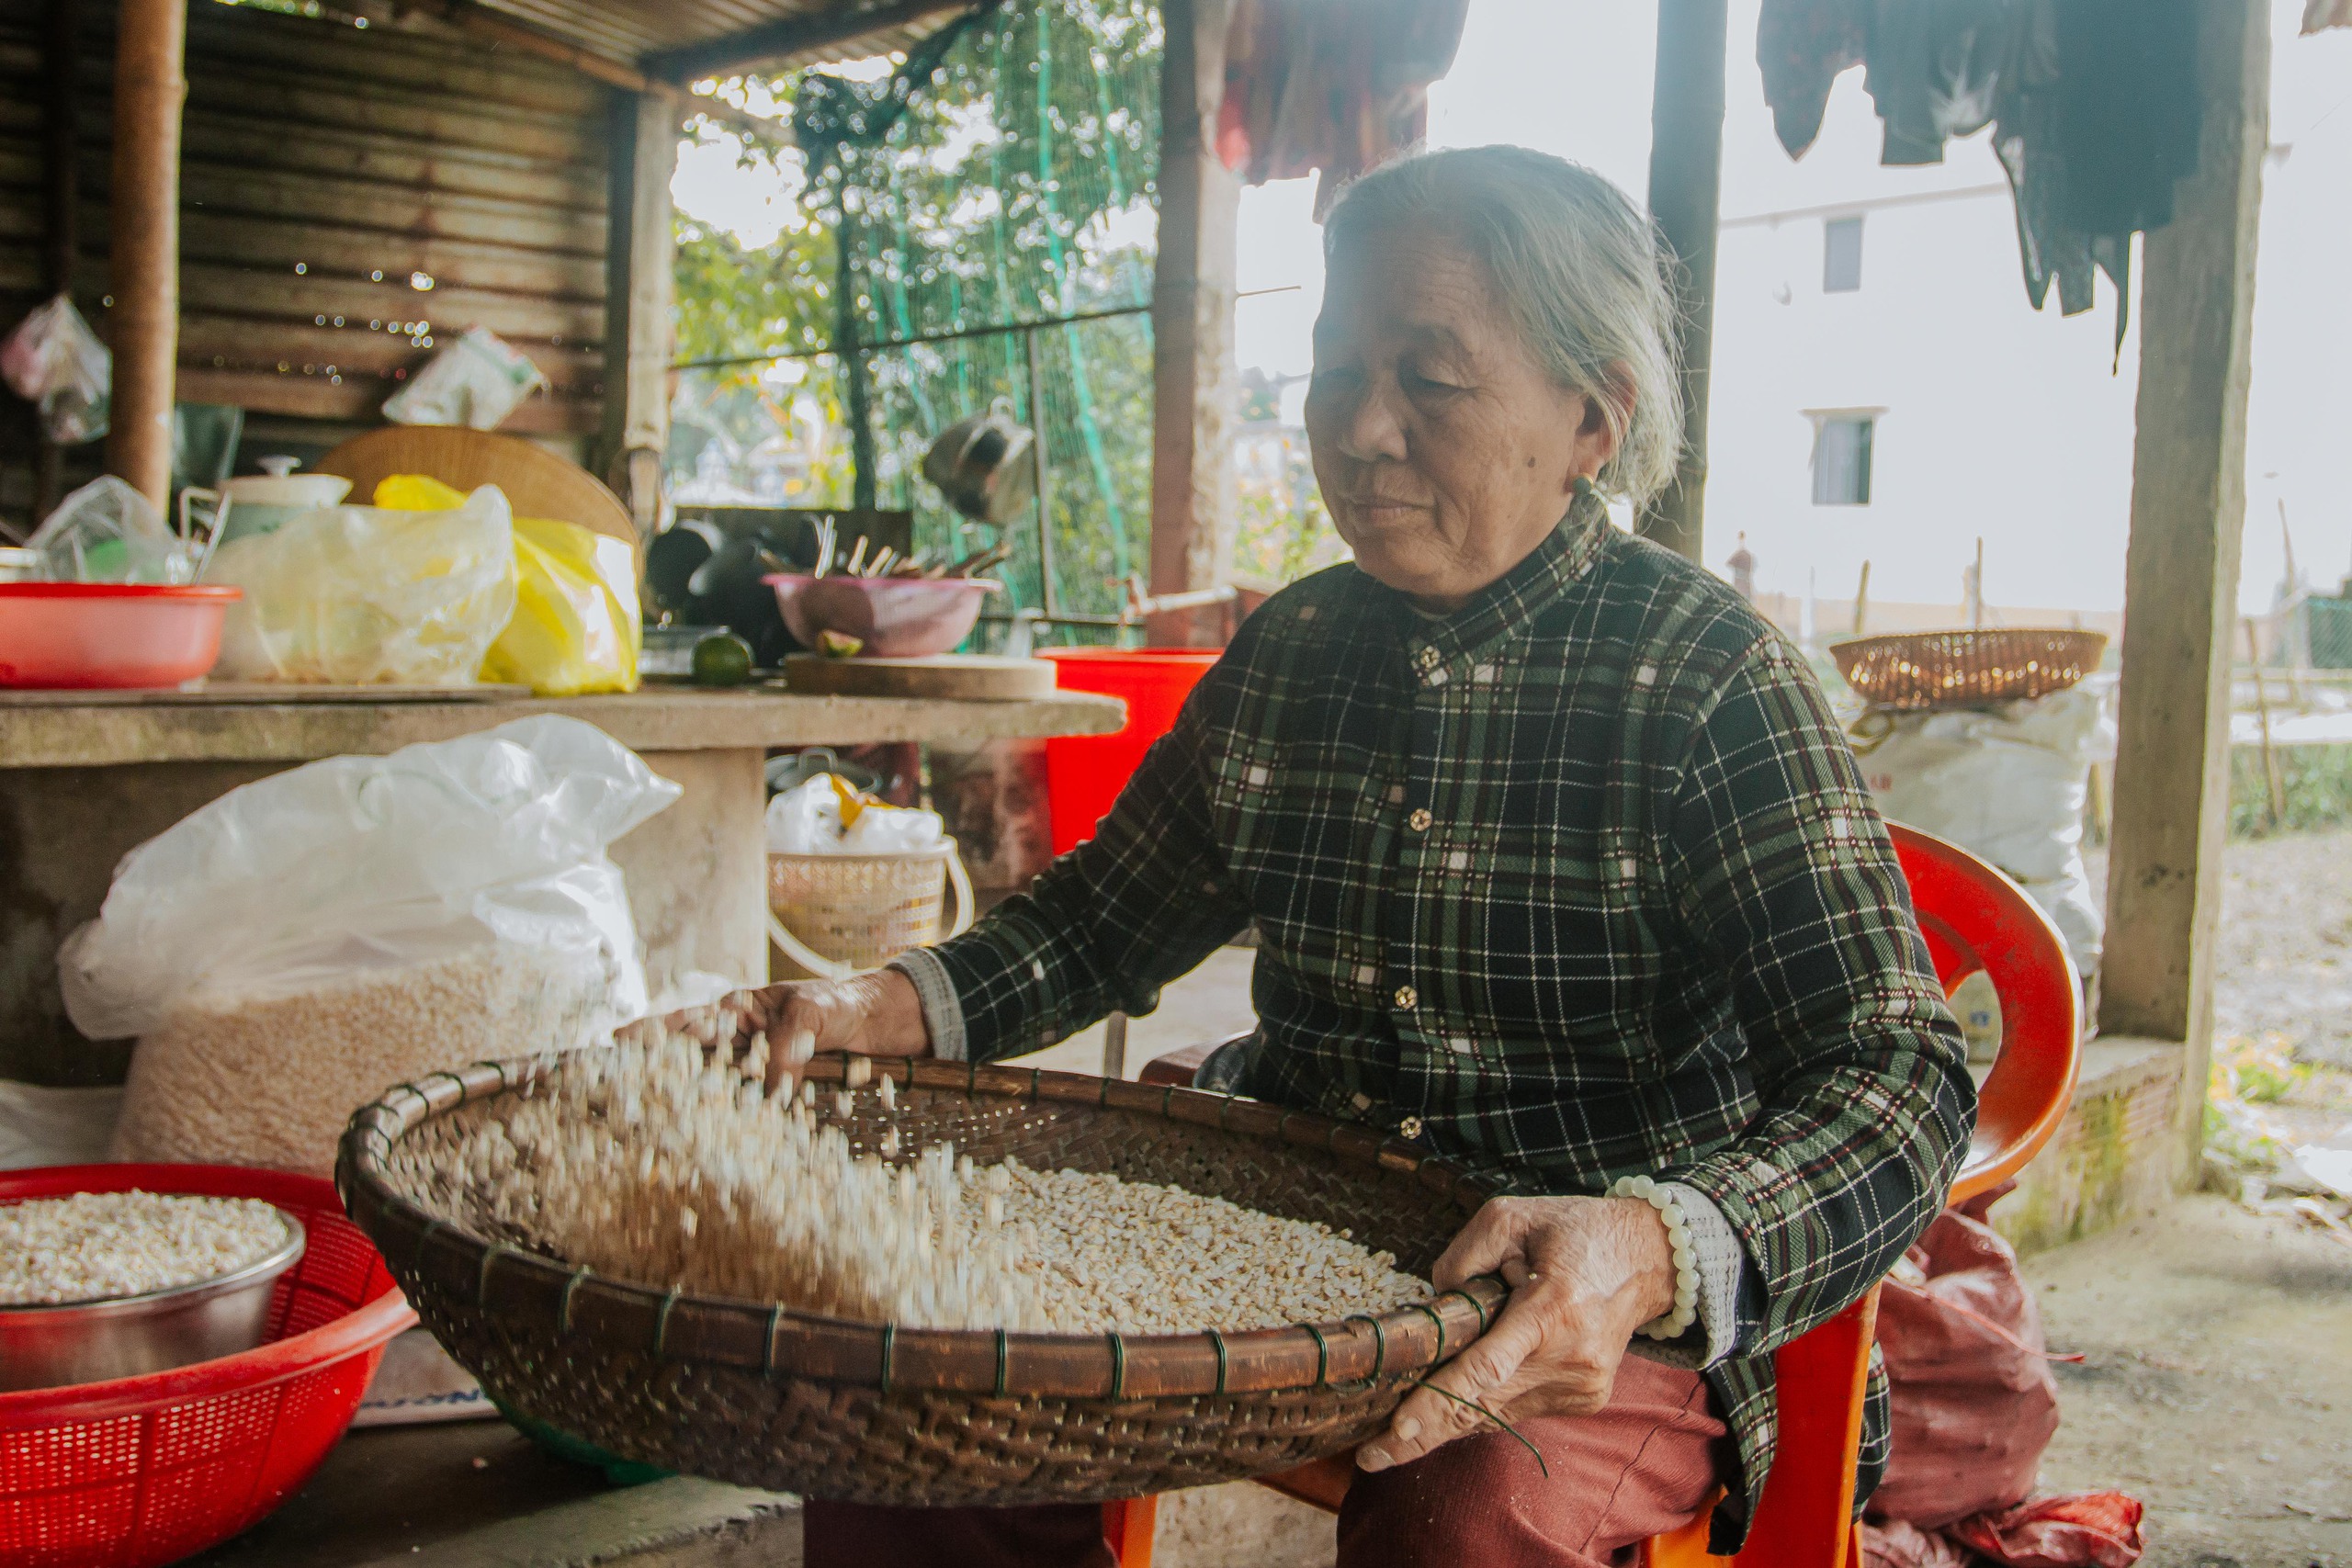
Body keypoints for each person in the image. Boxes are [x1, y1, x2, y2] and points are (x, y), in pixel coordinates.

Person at [729, 144, 1974, 1568]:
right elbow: (1099, 925)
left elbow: (1901, 1073)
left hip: (1582, 1301)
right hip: (1282, 1225)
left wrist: (1649, 1246)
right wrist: (867, 1008)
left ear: (1593, 417)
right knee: (908, 1396)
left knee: (1461, 1513)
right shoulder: (1295, 651)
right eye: (1336, 373)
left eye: (1431, 380)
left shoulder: (1710, 681)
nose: (1364, 429)